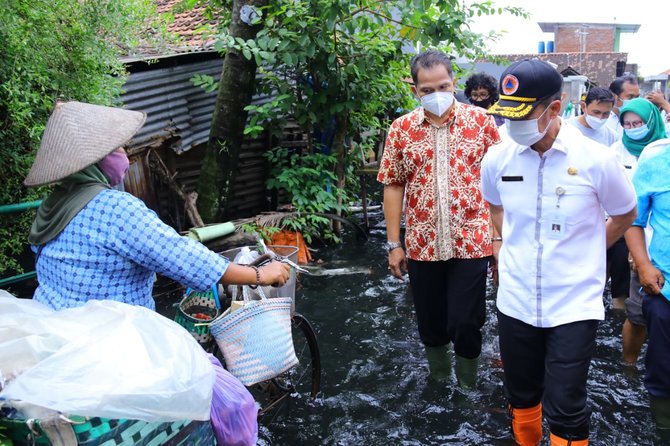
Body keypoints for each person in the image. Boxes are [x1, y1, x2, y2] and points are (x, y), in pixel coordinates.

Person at [482, 59, 637, 446]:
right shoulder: (497, 157)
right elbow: (494, 205)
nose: (512, 126)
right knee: (520, 395)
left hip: (572, 301)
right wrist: (503, 244)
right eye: (507, 114)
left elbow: (624, 213)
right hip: (516, 299)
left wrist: (590, 250)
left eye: (523, 115)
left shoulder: (596, 160)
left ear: (554, 108)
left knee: (566, 403)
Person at [24, 101, 290, 311]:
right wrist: (259, 275)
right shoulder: (115, 209)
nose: (126, 157)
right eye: (118, 150)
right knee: (212, 377)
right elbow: (182, 258)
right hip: (110, 341)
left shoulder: (53, 205)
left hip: (52, 326)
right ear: (96, 161)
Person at [377, 50, 501, 388]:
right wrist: (393, 244)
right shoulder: (401, 129)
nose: (436, 95)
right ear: (415, 89)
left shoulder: (482, 122)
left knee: (465, 321)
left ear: (454, 82)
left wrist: (498, 238)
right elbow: (393, 185)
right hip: (422, 242)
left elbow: (498, 183)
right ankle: (439, 378)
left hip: (472, 238)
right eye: (426, 90)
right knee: (430, 325)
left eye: (442, 86)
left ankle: (467, 388)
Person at [610, 98, 669, 366]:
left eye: (639, 123)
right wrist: (640, 257)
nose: (634, 128)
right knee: (637, 315)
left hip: (651, 246)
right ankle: (629, 366)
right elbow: (632, 214)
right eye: (628, 124)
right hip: (644, 250)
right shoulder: (618, 153)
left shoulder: (660, 149)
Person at [623, 138, 670, 438]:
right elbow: (633, 220)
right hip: (664, 287)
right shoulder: (655, 162)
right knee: (663, 368)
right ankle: (663, 430)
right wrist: (643, 265)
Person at [607, 74, 640, 138]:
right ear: (615, 97)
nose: (635, 101)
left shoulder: (641, 122)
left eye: (637, 97)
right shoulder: (602, 120)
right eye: (630, 97)